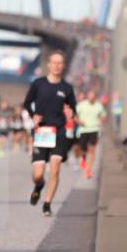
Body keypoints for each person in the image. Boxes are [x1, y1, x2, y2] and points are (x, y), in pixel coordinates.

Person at [23, 51, 76, 217]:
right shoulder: (38, 84)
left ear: (63, 65)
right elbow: (26, 103)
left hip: (59, 133)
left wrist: (70, 115)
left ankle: (47, 204)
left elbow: (72, 110)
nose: (57, 66)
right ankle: (39, 186)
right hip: (42, 132)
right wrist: (34, 116)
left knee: (54, 170)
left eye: (60, 63)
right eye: (54, 62)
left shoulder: (67, 88)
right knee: (38, 175)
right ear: (49, 64)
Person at [75, 89, 107, 179]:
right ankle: (83, 158)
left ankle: (88, 170)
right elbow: (74, 115)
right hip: (83, 130)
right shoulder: (81, 105)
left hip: (94, 129)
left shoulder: (99, 106)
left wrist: (102, 120)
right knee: (83, 150)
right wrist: (79, 121)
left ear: (95, 98)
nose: (91, 99)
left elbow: (103, 115)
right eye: (89, 97)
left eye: (93, 97)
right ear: (87, 97)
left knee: (92, 149)